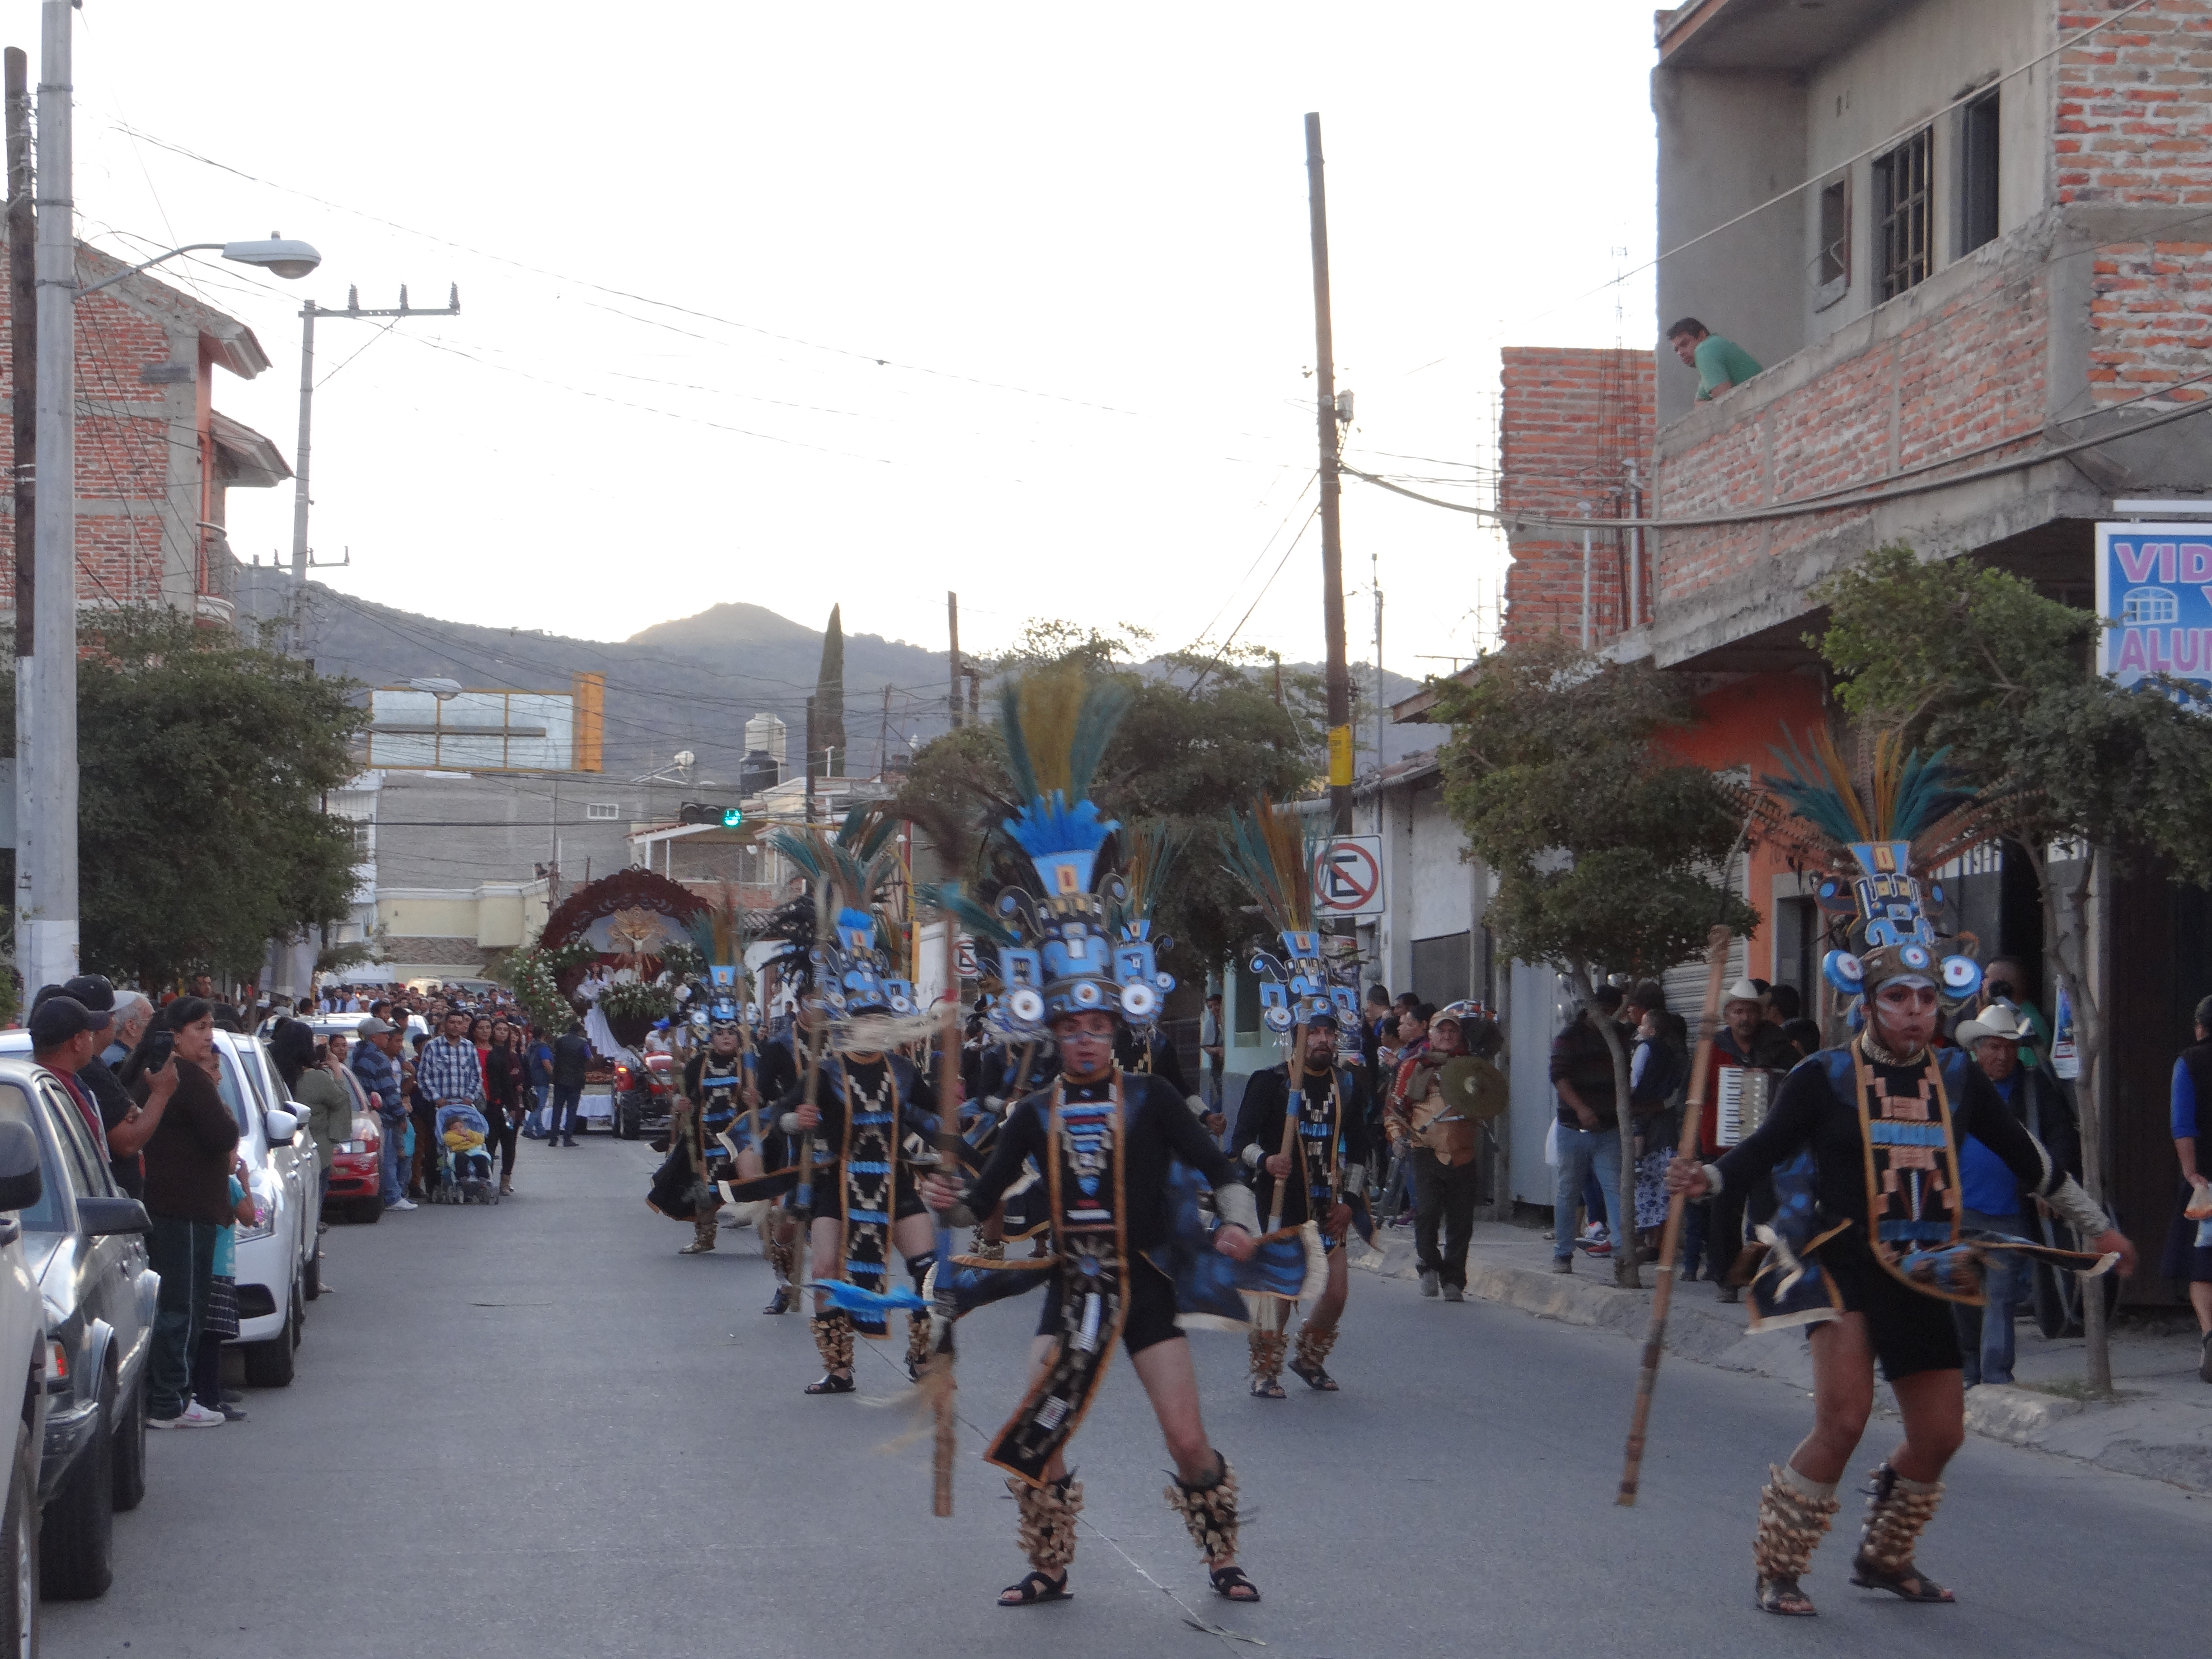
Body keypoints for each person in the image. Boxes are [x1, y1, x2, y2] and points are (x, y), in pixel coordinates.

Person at [1664, 756, 2132, 1618]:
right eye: (1899, 996)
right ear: (1870, 1001)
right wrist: (1709, 1174)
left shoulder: (1961, 1078)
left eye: (1926, 995)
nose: (1916, 1009)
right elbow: (1763, 1146)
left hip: (1929, 1260)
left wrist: (2094, 1225)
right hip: (1837, 1258)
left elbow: (2030, 1159)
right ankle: (1779, 1563)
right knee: (1842, 1420)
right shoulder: (1821, 1075)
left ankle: (1885, 1555)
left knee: (1941, 1433)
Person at [1232, 1014, 1368, 1394]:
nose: (1322, 1040)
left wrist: (1351, 1203)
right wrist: (1266, 1160)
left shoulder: (1347, 1085)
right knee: (1280, 1289)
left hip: (1330, 1204)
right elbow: (1240, 1143)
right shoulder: (1271, 1082)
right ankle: (1265, 1370)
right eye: (1314, 1034)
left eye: (1329, 1033)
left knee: (1337, 1293)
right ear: (1297, 1040)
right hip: (1281, 1200)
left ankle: (1309, 1359)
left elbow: (1360, 1152)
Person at [124, 998, 241, 1430]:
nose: (209, 1036)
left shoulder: (153, 1072)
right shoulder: (185, 1076)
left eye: (211, 1027)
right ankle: (170, 1399)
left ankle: (172, 1394)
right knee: (182, 1305)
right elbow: (223, 1133)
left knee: (177, 1303)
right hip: (182, 1210)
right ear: (175, 1034)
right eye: (200, 1028)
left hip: (169, 1205)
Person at [1946, 1004, 2076, 1387]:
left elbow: (2061, 1136)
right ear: (1976, 1048)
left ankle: (1997, 1375)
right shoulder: (1957, 1085)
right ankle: (1968, 1370)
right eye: (1993, 1047)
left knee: (2001, 1299)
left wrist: (2049, 1187)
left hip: (2010, 1212)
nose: (2002, 1056)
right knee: (1963, 1296)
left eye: (2008, 1047)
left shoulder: (2033, 1089)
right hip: (1961, 1208)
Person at [1689, 978, 1801, 1303]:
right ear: (1727, 1015)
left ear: (1761, 1014)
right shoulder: (1712, 1047)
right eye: (1738, 1012)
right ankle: (1726, 1278)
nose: (1744, 1019)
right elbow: (1692, 1094)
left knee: (1766, 1216)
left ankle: (1763, 1276)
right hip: (1721, 1146)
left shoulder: (1779, 1047)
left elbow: (1798, 1084)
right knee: (1724, 1214)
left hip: (1766, 1147)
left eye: (1750, 1012)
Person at [1386, 1003, 1497, 1300]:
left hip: (1463, 1152)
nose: (1447, 1036)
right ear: (1431, 1034)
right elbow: (1394, 1109)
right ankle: (1429, 1266)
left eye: (1452, 1031)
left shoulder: (1472, 1067)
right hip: (1425, 1149)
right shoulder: (1414, 1065)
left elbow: (1489, 1102)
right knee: (1427, 1213)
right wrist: (1397, 1137)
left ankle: (1454, 1281)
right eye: (1442, 1030)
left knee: (1462, 1221)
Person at [1548, 985, 1626, 1276]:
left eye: (1611, 1012)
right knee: (1568, 1191)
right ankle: (1563, 1253)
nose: (1607, 1017)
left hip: (1609, 1128)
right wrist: (1581, 1108)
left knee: (1616, 1190)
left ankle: (1622, 1254)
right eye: (1603, 1011)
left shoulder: (1619, 1035)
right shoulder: (1569, 1037)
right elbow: (1558, 1076)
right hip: (1573, 1128)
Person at [271, 1020, 349, 1290]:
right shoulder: (315, 1079)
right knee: (311, 1215)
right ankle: (312, 1277)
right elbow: (341, 1098)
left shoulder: (275, 1076)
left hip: (281, 1153)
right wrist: (336, 1068)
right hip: (315, 1152)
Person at [2165, 994, 2212, 1384]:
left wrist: (2191, 1173)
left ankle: (2209, 1334)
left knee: (2203, 1263)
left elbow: (2183, 1123)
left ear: (2200, 1027)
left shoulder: (2188, 1062)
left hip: (2207, 1184)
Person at [191, 1160, 258, 1423]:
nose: (238, 1159)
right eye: (233, 1151)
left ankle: (208, 1390)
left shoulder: (198, 1178)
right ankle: (209, 1397)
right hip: (219, 1267)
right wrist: (245, 1182)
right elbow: (250, 1217)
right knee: (213, 1336)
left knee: (205, 1335)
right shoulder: (228, 1183)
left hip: (204, 1265)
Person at [351, 1016, 414, 1213]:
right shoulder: (377, 1059)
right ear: (374, 1037)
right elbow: (388, 1091)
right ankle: (393, 1196)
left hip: (370, 1113)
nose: (387, 1037)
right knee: (390, 1158)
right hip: (385, 1115)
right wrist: (400, 1115)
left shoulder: (358, 1056)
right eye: (384, 1034)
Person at [1668, 316, 1763, 401]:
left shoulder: (1705, 349)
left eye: (1684, 344)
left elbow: (1726, 402)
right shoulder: (1712, 350)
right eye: (1677, 350)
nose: (1680, 353)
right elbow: (1699, 403)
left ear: (1702, 335)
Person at [549, 1016, 590, 1148]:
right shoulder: (583, 1043)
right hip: (576, 1080)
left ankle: (553, 1138)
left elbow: (555, 1055)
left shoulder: (560, 1040)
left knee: (557, 1109)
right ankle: (568, 1138)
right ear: (579, 1031)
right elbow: (589, 1057)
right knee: (572, 1110)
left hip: (560, 1079)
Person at [1199, 990, 1226, 1115]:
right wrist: (1218, 1050)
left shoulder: (1228, 1020)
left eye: (1216, 1005)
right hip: (1217, 1067)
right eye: (1210, 1007)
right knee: (1219, 1094)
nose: (1214, 1009)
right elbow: (1205, 1046)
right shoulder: (1210, 1023)